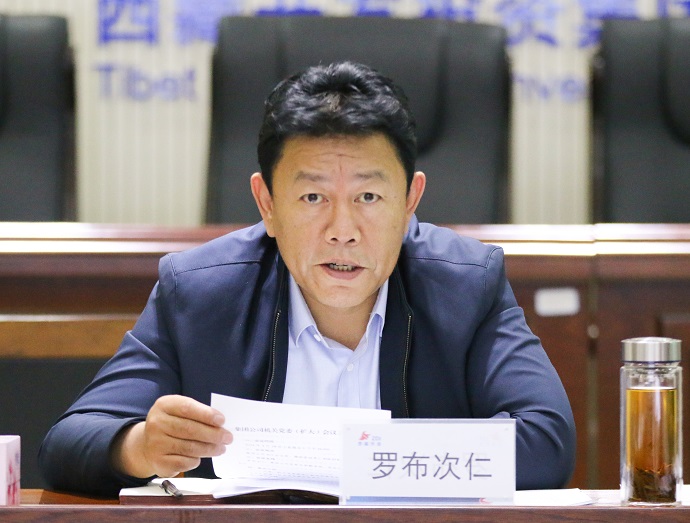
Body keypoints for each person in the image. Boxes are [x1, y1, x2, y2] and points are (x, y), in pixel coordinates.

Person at [39, 61, 576, 496]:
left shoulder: (466, 284)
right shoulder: (200, 291)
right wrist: (138, 447)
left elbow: (546, 442)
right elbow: (69, 442)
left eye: (369, 196)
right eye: (313, 196)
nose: (342, 231)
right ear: (267, 204)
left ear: (410, 200)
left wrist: (361, 458)